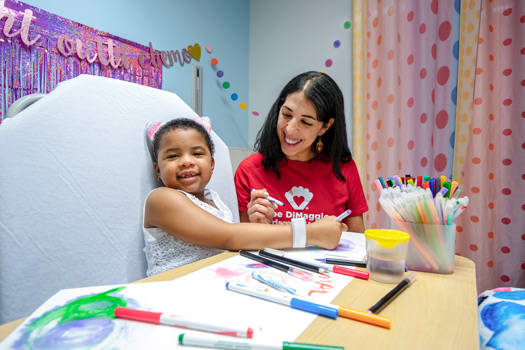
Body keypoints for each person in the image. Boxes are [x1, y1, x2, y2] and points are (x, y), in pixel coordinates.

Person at [143, 118, 347, 276]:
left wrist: (261, 224)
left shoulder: (214, 200)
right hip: (172, 293)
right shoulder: (162, 200)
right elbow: (229, 236)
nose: (186, 162)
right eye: (173, 156)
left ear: (212, 164)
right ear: (157, 170)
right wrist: (310, 233)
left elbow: (234, 241)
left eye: (197, 154)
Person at [234, 71, 368, 233]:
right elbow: (239, 245)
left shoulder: (343, 168)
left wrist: (342, 234)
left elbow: (358, 245)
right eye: (286, 114)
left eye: (305, 122)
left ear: (325, 127)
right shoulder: (249, 169)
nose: (290, 129)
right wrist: (260, 227)